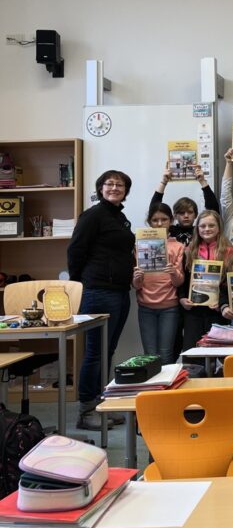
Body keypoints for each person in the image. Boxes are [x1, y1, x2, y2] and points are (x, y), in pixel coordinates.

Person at [67, 169, 135, 431]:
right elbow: (75, 250)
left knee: (107, 350)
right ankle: (86, 411)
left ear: (126, 191)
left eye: (120, 184)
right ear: (100, 188)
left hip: (119, 291)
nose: (115, 187)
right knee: (95, 351)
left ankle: (100, 404)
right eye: (110, 183)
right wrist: (79, 284)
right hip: (97, 292)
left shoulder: (119, 217)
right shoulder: (93, 215)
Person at [132, 201, 185, 365]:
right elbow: (137, 285)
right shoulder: (139, 245)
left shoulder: (177, 246)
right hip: (146, 307)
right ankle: (152, 390)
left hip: (169, 307)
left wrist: (174, 272)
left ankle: (166, 389)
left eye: (164, 219)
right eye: (155, 220)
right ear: (149, 222)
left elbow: (179, 282)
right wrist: (136, 278)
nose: (160, 223)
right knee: (150, 354)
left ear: (171, 221)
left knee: (166, 353)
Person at [178, 210, 233, 350]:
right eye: (202, 226)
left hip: (217, 310)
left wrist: (222, 303)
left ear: (219, 227)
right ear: (197, 229)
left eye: (211, 225)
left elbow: (231, 283)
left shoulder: (229, 251)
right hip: (194, 310)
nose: (207, 229)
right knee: (193, 352)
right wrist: (182, 298)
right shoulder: (189, 250)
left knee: (218, 352)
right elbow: (184, 278)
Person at [148, 160, 219, 230]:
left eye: (190, 212)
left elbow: (213, 211)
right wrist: (163, 182)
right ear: (175, 216)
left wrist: (203, 181)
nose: (186, 216)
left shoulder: (200, 231)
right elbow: (154, 209)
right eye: (182, 213)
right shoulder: (169, 230)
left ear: (196, 215)